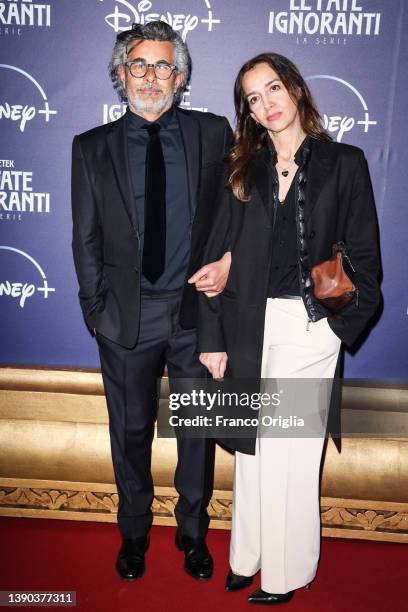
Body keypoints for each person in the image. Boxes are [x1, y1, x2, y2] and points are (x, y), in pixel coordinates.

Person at [198, 53, 381, 605]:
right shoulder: (240, 168)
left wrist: (327, 317)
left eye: (273, 88)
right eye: (254, 97)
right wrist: (212, 337)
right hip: (246, 321)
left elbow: (362, 254)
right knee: (251, 451)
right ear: (248, 111)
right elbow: (215, 255)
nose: (267, 103)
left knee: (289, 451)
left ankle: (286, 572)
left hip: (309, 325)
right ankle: (246, 556)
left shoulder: (343, 163)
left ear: (296, 90)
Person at [71, 21, 232, 582]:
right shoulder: (91, 147)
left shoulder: (214, 134)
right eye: (138, 64)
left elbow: (242, 211)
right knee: (132, 430)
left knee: (196, 431)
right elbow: (85, 237)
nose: (150, 76)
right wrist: (99, 313)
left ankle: (193, 534)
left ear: (180, 77)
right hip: (126, 317)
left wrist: (230, 261)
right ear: (121, 74)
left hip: (195, 314)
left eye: (163, 65)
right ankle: (134, 532)